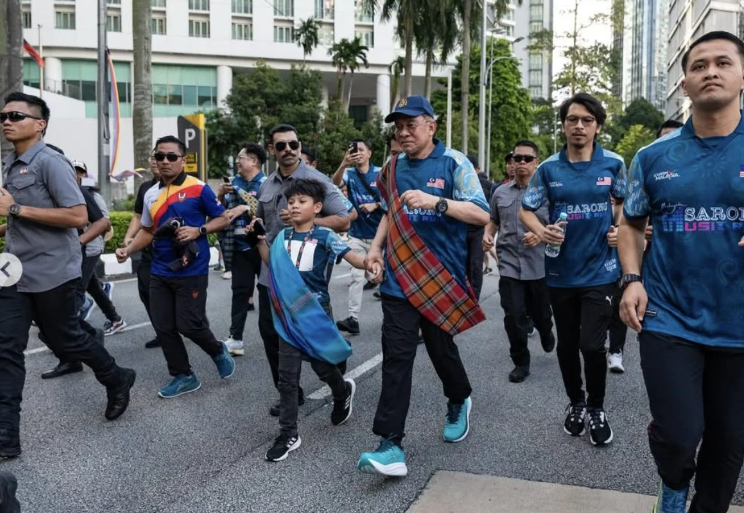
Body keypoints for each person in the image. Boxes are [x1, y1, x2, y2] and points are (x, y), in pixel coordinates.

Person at [619, 31, 744, 513]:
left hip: (738, 325)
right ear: (685, 84)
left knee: (730, 441)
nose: (710, 71)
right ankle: (672, 483)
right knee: (679, 434)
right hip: (670, 317)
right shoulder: (654, 157)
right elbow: (630, 223)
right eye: (699, 65)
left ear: (741, 75)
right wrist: (631, 278)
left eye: (722, 62)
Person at [358, 96, 489, 477]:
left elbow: (481, 213)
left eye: (410, 125)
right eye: (397, 126)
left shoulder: (455, 163)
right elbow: (390, 213)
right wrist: (377, 250)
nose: (402, 132)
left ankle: (458, 396)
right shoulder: (393, 166)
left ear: (431, 126)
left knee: (439, 348)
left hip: (440, 279)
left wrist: (437, 202)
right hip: (399, 279)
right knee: (397, 358)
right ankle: (390, 444)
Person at [0, 92, 136, 460]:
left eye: (16, 115)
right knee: (6, 350)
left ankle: (115, 376)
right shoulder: (9, 165)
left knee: (67, 340)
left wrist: (13, 206)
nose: (6, 121)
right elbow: (21, 217)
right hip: (14, 274)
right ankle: (6, 436)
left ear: (39, 124)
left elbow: (78, 216)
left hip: (53, 271)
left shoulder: (51, 162)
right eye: (3, 116)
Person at [519, 92, 626, 447]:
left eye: (587, 120)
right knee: (567, 345)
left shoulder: (613, 164)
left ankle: (596, 407)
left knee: (591, 345)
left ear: (597, 126)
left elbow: (626, 206)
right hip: (560, 272)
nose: (579, 126)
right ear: (563, 125)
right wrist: (541, 230)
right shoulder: (548, 168)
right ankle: (576, 403)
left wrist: (617, 229)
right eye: (572, 120)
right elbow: (526, 210)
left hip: (601, 270)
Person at [256, 179, 378, 462]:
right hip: (288, 315)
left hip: (316, 313)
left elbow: (353, 258)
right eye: (291, 202)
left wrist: (370, 262)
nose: (294, 206)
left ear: (317, 207)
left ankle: (342, 390)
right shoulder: (282, 237)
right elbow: (271, 266)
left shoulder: (326, 236)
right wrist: (260, 240)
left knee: (324, 368)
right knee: (287, 377)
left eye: (302, 202)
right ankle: (288, 433)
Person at [115, 135, 239, 398]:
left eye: (171, 156)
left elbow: (223, 219)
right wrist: (128, 249)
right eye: (160, 156)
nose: (165, 161)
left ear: (183, 160)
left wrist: (199, 230)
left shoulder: (198, 187)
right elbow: (147, 231)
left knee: (189, 324)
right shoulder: (150, 193)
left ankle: (217, 350)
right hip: (160, 269)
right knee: (163, 326)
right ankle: (183, 375)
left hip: (191, 268)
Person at [255, 124, 350, 417]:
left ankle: (338, 382)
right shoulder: (266, 185)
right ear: (272, 150)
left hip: (307, 277)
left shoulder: (316, 180)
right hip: (271, 271)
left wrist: (308, 222)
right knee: (272, 335)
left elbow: (344, 220)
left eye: (293, 144)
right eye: (281, 145)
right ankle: (290, 394)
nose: (288, 150)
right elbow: (262, 222)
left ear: (299, 146)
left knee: (316, 338)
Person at [483, 141, 555, 383]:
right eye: (517, 158)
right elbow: (493, 219)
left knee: (542, 314)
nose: (521, 163)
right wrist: (487, 234)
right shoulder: (500, 192)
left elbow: (560, 224)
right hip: (510, 264)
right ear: (512, 162)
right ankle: (521, 363)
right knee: (513, 316)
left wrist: (541, 233)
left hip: (539, 266)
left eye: (527, 158)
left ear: (536, 163)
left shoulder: (547, 193)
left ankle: (546, 331)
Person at [218, 143, 267, 356]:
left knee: (267, 293)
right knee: (239, 293)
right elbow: (217, 210)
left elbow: (270, 211)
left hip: (261, 247)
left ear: (254, 161)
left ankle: (283, 336)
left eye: (241, 158)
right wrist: (220, 194)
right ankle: (236, 339)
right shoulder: (232, 183)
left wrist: (245, 207)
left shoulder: (267, 184)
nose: (237, 161)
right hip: (238, 248)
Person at [331, 139, 383, 335]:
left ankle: (391, 317)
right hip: (357, 235)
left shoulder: (380, 173)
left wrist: (375, 205)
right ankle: (353, 319)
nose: (358, 153)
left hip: (379, 237)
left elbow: (390, 199)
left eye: (362, 150)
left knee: (383, 277)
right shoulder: (349, 174)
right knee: (356, 276)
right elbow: (334, 184)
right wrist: (344, 162)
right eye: (354, 150)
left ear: (369, 153)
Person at [74, 162, 127, 336]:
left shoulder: (92, 196)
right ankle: (116, 320)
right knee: (93, 287)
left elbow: (105, 222)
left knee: (77, 289)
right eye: (74, 171)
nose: (77, 175)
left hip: (90, 247)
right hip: (76, 248)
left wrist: (91, 239)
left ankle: (69, 332)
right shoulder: (66, 194)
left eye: (80, 172)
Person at [123, 151, 162, 348]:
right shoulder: (146, 188)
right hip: (149, 252)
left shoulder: (183, 187)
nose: (156, 162)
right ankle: (162, 332)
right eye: (153, 158)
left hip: (173, 253)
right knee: (146, 291)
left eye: (162, 157)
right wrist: (129, 238)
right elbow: (138, 217)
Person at [464, 154, 491, 301]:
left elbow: (492, 211)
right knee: (463, 265)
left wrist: (490, 232)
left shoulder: (486, 186)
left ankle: (474, 300)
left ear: (477, 169)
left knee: (475, 265)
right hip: (461, 230)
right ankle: (463, 298)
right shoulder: (458, 182)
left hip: (478, 231)